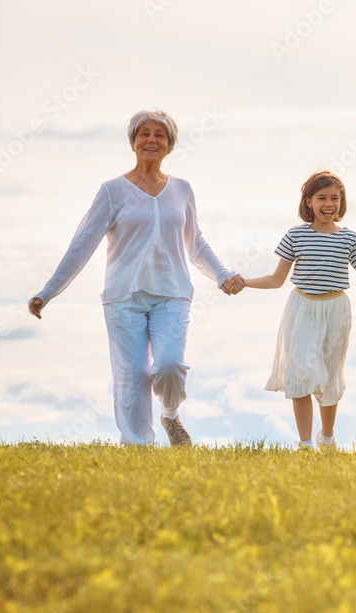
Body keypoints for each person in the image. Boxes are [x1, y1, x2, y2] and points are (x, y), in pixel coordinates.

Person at [29, 109, 245, 447]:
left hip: (171, 293)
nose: (151, 139)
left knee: (170, 365)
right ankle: (139, 449)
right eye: (144, 133)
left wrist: (223, 275)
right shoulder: (113, 191)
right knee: (131, 377)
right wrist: (48, 291)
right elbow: (82, 244)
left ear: (169, 145)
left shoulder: (182, 190)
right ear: (133, 142)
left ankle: (170, 415)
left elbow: (195, 242)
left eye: (159, 134)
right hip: (123, 297)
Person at [243, 170, 356, 450]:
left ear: (342, 202)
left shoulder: (350, 239)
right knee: (300, 374)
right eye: (321, 198)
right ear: (308, 202)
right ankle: (306, 444)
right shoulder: (295, 235)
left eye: (335, 198)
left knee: (330, 376)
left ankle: (327, 438)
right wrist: (243, 282)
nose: (328, 204)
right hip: (302, 309)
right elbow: (276, 280)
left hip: (336, 311)